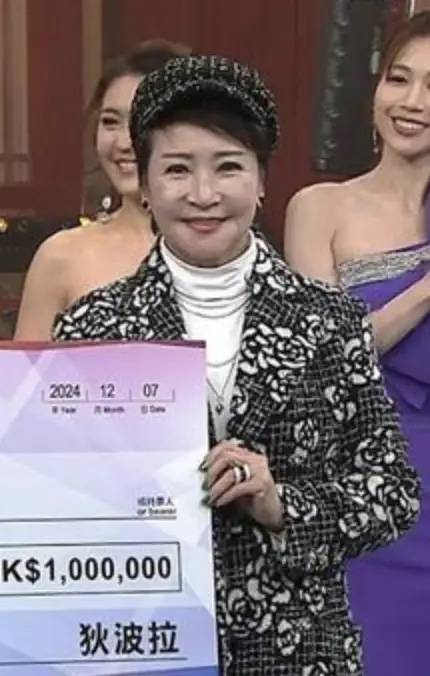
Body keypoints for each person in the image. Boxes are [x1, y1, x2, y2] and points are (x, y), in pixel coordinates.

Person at [54, 54, 420, 673]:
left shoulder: (329, 321)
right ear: (145, 185)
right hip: (145, 646)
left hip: (297, 654)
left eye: (228, 167)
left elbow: (391, 494)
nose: (204, 194)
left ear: (261, 180)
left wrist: (280, 505)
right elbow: (55, 495)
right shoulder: (94, 327)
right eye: (177, 169)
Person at [284, 14, 430, 673]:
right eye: (399, 79)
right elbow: (323, 362)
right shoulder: (320, 207)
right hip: (366, 489)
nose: (412, 101)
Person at [14, 40, 189, 340]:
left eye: (144, 122)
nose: (123, 142)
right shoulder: (60, 257)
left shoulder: (240, 256)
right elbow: (26, 370)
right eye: (110, 122)